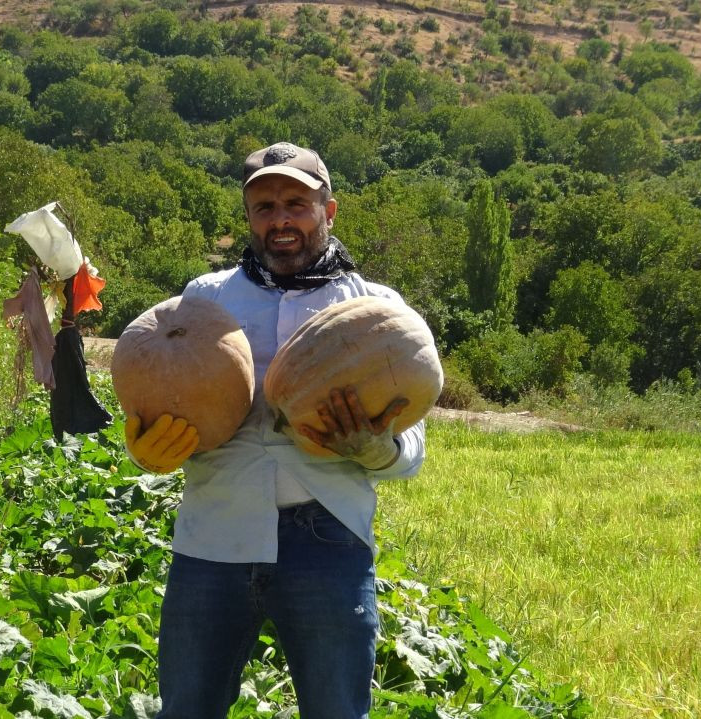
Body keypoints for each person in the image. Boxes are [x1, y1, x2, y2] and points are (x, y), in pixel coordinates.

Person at [123, 142, 427, 718]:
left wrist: (378, 448)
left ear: (328, 211)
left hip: (328, 540)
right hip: (213, 535)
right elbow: (157, 396)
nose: (280, 219)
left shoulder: (376, 308)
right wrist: (143, 449)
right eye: (264, 206)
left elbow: (412, 448)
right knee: (187, 709)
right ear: (248, 216)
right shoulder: (203, 301)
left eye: (296, 202)